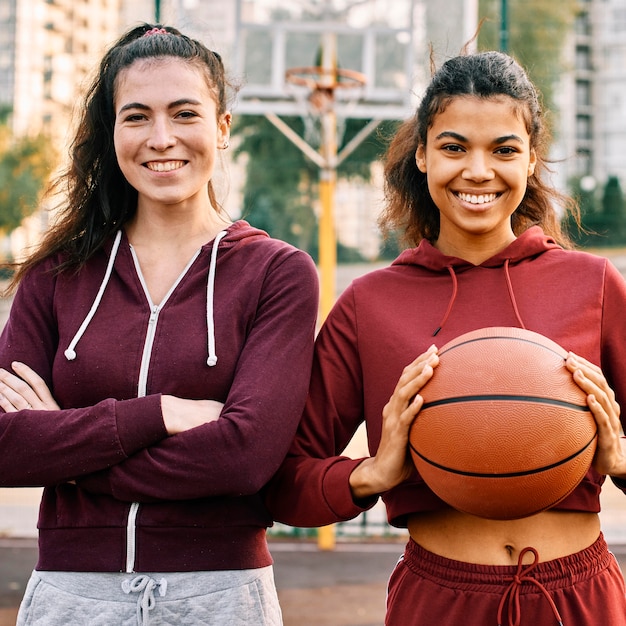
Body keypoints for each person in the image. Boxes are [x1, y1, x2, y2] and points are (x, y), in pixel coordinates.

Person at [265, 50, 626, 625]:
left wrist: (621, 461)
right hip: (440, 599)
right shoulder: (369, 303)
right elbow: (283, 480)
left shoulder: (594, 285)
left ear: (532, 159)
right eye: (454, 147)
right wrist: (372, 473)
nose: (478, 171)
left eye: (504, 150)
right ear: (423, 156)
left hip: (577, 595)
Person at [0, 23, 318, 625]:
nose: (161, 137)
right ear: (112, 131)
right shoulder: (56, 273)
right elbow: (4, 447)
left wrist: (62, 443)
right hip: (72, 595)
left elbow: (245, 460)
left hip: (221, 595)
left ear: (222, 128)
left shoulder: (277, 273)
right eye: (137, 116)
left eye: (184, 113)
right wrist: (160, 415)